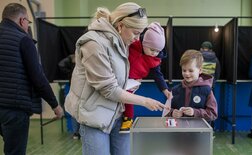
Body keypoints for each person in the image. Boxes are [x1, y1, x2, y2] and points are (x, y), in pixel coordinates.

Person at [64, 3, 169, 155]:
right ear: (120, 26)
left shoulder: (124, 42)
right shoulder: (93, 44)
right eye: (135, 33)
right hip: (95, 118)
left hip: (118, 114)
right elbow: (109, 88)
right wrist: (145, 101)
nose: (137, 39)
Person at [0, 3, 64, 155]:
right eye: (27, 22)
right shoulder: (23, 39)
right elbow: (38, 77)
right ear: (22, 20)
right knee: (15, 151)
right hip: (15, 108)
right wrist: (55, 105)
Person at [120, 22, 172, 133]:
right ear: (144, 43)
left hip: (133, 81)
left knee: (128, 98)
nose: (154, 53)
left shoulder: (155, 60)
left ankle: (128, 119)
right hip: (120, 75)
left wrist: (165, 90)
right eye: (152, 50)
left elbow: (158, 75)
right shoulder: (134, 43)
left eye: (158, 51)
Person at [165, 49, 218, 122]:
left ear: (200, 70)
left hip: (199, 132)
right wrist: (172, 113)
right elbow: (166, 111)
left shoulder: (207, 90)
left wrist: (195, 112)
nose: (187, 73)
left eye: (190, 70)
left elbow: (213, 114)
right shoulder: (175, 90)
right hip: (179, 131)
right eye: (184, 70)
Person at [58, 54, 80, 139]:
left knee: (74, 111)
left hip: (74, 88)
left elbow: (61, 65)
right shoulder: (74, 59)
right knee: (75, 112)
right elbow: (61, 65)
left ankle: (76, 133)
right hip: (76, 89)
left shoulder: (74, 60)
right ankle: (77, 133)